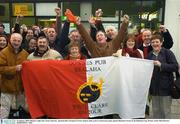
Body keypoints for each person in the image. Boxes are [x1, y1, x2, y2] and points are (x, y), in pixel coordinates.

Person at [147, 34, 179, 119]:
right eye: (152, 42)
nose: (155, 44)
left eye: (157, 42)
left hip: (166, 88)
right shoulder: (150, 55)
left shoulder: (167, 52)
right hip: (154, 88)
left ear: (161, 42)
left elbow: (175, 66)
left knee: (166, 111)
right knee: (156, 110)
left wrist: (161, 65)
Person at [0, 33, 29, 119]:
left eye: (18, 41)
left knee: (23, 109)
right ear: (10, 40)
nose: (16, 42)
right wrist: (14, 69)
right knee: (4, 110)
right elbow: (0, 68)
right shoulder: (3, 53)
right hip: (7, 87)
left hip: (20, 88)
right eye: (14, 40)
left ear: (21, 42)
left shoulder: (25, 53)